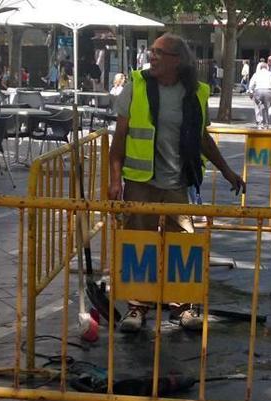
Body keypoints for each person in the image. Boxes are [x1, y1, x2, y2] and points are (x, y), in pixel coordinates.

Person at [109, 33, 246, 333]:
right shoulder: (137, 86)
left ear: (177, 59)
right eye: (152, 52)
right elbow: (119, 138)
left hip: (177, 182)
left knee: (182, 244)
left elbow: (201, 138)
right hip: (141, 181)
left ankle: (182, 307)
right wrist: (114, 178)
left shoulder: (195, 92)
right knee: (138, 245)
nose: (152, 57)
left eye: (159, 52)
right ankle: (136, 307)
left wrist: (226, 171)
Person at [248, 62, 271, 129]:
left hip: (258, 91)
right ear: (267, 67)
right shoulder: (269, 74)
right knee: (267, 109)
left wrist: (250, 92)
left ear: (260, 68)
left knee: (257, 108)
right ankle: (266, 125)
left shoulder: (256, 74)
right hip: (267, 91)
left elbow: (251, 84)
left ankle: (259, 124)